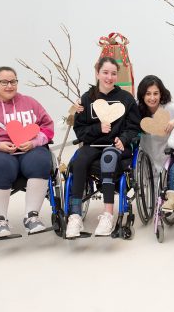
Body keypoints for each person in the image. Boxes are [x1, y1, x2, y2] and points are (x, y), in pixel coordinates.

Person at [0, 67, 54, 237]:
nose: (9, 86)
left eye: (13, 81)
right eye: (4, 82)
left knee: (42, 162)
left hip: (29, 149)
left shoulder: (30, 103)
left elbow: (48, 128)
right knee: (0, 165)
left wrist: (34, 142)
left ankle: (32, 216)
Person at [65, 57, 140, 238]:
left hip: (116, 146)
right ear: (97, 73)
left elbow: (133, 127)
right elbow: (80, 129)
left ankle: (107, 215)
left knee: (109, 157)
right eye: (105, 72)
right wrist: (97, 128)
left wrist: (123, 138)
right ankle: (75, 216)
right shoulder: (87, 99)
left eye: (113, 73)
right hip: (93, 144)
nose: (109, 77)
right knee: (79, 160)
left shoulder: (126, 99)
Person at [136, 75, 174, 186]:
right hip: (147, 157)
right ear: (142, 95)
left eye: (155, 93)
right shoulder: (137, 110)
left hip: (167, 155)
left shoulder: (170, 108)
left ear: (161, 94)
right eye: (148, 94)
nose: (152, 98)